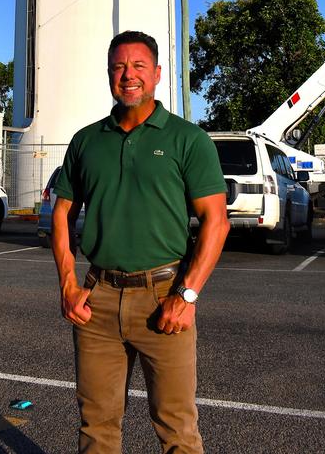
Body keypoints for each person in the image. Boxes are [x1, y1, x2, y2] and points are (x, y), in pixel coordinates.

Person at [52, 30, 230, 454]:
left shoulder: (187, 139)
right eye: (118, 67)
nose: (127, 75)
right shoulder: (86, 141)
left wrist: (186, 296)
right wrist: (68, 285)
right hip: (97, 303)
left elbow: (216, 222)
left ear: (157, 74)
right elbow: (61, 213)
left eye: (138, 67)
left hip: (163, 297)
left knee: (177, 429)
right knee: (96, 426)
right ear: (109, 75)